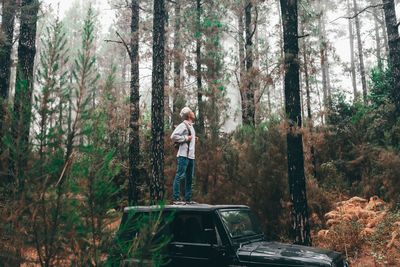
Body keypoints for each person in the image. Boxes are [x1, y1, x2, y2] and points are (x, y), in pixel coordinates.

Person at [170, 107, 198, 204]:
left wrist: (194, 138)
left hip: (191, 156)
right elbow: (173, 136)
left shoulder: (191, 126)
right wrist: (187, 138)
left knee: (189, 178)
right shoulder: (183, 125)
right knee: (180, 176)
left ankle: (188, 199)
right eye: (192, 112)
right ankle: (176, 199)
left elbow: (190, 138)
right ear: (189, 115)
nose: (193, 113)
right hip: (183, 155)